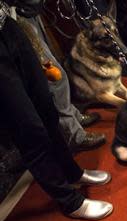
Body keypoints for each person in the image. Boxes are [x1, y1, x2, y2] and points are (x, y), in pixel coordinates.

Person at [0, 0, 113, 220]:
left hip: (8, 26)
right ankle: (69, 201)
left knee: (48, 110)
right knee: (29, 130)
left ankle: (72, 172)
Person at [19, 16, 106, 152]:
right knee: (55, 78)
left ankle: (73, 117)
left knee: (54, 65)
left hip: (26, 12)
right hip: (14, 17)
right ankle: (73, 134)